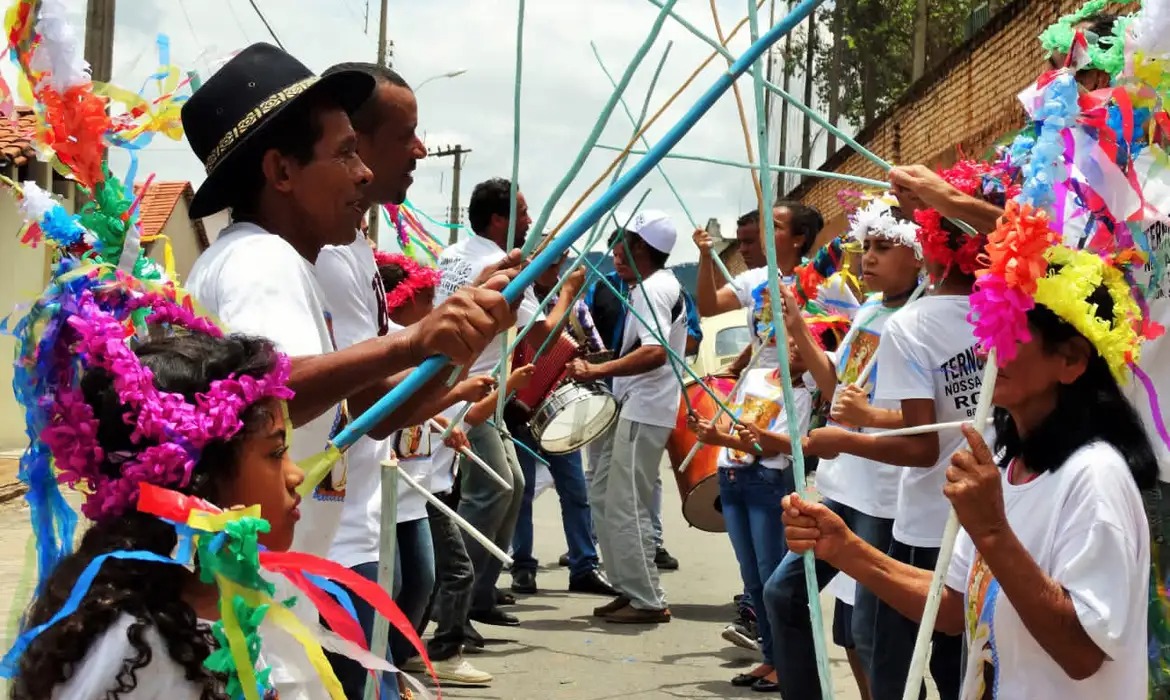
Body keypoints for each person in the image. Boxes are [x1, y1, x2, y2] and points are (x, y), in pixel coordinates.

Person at [180, 45, 517, 698]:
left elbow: (370, 411)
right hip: (258, 602)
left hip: (278, 592)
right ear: (281, 170)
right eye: (343, 154)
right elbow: (268, 393)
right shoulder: (261, 263)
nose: (364, 173)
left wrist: (457, 340)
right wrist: (411, 341)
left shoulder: (286, 265)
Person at [783, 257, 1156, 700]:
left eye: (1008, 330)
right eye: (987, 327)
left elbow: (1081, 652)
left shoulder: (1095, 477)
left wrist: (992, 530)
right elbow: (953, 603)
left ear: (1071, 360)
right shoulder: (1006, 463)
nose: (984, 349)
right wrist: (845, 548)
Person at [12, 330, 302, 699]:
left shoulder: (213, 604)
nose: (296, 475)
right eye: (275, 454)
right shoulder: (137, 647)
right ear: (198, 482)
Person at [762, 193, 925, 698]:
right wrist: (796, 328)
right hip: (844, 486)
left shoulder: (920, 318)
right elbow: (838, 389)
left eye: (883, 247)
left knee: (871, 637)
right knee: (783, 593)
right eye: (866, 245)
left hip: (882, 494)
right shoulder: (871, 309)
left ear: (918, 255)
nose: (868, 257)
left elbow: (925, 423)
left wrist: (865, 418)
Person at [432, 177, 575, 629]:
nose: (529, 222)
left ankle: (478, 593)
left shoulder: (450, 255)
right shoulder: (505, 267)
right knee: (493, 489)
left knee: (513, 485)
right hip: (470, 394)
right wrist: (569, 290)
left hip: (479, 390)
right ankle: (454, 603)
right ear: (499, 220)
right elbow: (544, 335)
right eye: (523, 213)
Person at [688, 284, 840, 692]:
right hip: (732, 479)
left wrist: (728, 441)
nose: (791, 347)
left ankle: (787, 666)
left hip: (767, 482)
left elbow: (781, 446)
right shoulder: (754, 373)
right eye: (789, 339)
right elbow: (729, 417)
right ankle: (771, 658)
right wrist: (711, 431)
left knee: (775, 577)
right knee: (752, 578)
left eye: (801, 343)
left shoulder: (804, 394)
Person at [568, 210, 688, 625]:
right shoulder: (649, 286)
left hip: (645, 408)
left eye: (623, 245)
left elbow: (656, 352)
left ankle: (648, 598)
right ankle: (627, 587)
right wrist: (603, 359)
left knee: (627, 505)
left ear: (641, 247)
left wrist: (598, 371)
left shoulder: (652, 288)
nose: (616, 255)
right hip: (636, 404)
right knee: (603, 496)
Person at [505, 246, 618, 597]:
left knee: (575, 491)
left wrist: (584, 361)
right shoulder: (516, 303)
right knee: (520, 493)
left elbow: (598, 350)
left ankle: (584, 565)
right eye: (547, 264)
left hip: (559, 408)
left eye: (557, 264)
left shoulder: (574, 305)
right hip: (517, 409)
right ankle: (523, 565)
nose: (553, 270)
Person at [694, 203, 828, 372]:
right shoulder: (754, 279)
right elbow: (709, 307)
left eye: (775, 227)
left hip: (806, 389)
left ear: (798, 240)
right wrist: (706, 257)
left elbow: (850, 334)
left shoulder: (825, 281)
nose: (766, 233)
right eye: (765, 227)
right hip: (760, 390)